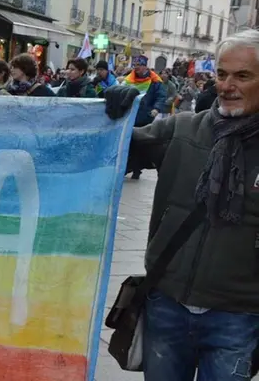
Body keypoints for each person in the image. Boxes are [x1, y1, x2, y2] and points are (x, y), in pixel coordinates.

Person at [103, 29, 259, 381]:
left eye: (243, 76)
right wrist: (111, 115)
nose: (227, 85)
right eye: (221, 74)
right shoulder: (183, 130)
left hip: (238, 317)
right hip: (167, 306)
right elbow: (109, 153)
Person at [123, 55, 167, 179]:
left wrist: (156, 109)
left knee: (141, 143)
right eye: (135, 65)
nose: (136, 68)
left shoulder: (155, 81)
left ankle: (137, 168)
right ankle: (128, 166)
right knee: (130, 142)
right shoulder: (129, 79)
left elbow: (161, 96)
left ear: (145, 66)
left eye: (138, 65)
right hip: (131, 116)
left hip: (145, 117)